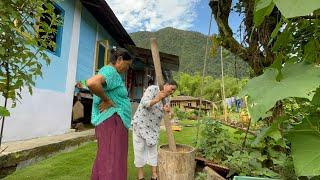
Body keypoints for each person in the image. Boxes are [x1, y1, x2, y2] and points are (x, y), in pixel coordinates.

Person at [86, 47, 133, 180]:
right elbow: (91, 83)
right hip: (112, 122)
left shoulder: (111, 73)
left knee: (109, 157)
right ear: (119, 59)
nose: (128, 68)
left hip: (114, 121)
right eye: (127, 64)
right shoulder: (110, 71)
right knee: (111, 158)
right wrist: (107, 100)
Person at [132, 80, 178, 180]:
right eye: (172, 89)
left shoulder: (167, 99)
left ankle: (154, 175)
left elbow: (169, 116)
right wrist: (157, 99)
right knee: (139, 150)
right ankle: (140, 176)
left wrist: (170, 112)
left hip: (153, 128)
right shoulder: (152, 89)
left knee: (153, 151)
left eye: (174, 90)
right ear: (166, 85)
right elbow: (144, 103)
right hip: (141, 124)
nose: (172, 92)